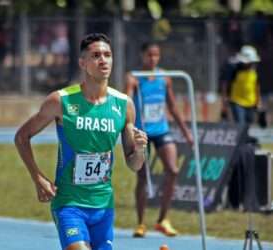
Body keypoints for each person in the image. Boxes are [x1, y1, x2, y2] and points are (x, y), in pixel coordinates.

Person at [15, 33, 148, 250]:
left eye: (107, 55)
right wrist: (38, 178)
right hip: (69, 204)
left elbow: (134, 164)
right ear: (83, 63)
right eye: (96, 55)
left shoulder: (124, 105)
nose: (103, 60)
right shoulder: (60, 100)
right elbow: (21, 137)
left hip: (103, 206)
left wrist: (141, 150)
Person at [125, 43, 193, 238]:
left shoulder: (165, 78)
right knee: (142, 177)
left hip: (161, 129)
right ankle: (140, 223)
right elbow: (126, 101)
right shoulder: (134, 77)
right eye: (149, 55)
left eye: (156, 55)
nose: (153, 59)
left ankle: (163, 219)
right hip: (142, 132)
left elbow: (172, 106)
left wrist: (186, 132)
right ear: (142, 55)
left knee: (173, 170)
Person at [221, 45, 261, 128]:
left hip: (251, 102)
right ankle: (241, 141)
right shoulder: (234, 69)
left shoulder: (255, 70)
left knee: (249, 125)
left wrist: (258, 101)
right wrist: (224, 99)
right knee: (240, 124)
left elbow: (257, 86)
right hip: (237, 102)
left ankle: (246, 140)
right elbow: (225, 84)